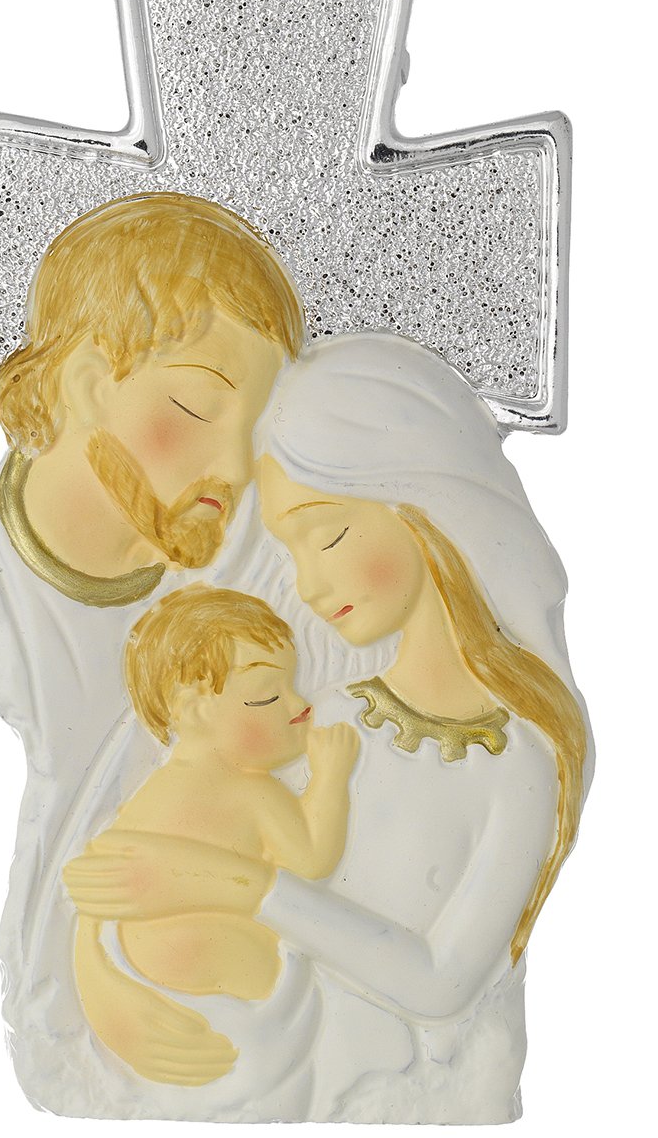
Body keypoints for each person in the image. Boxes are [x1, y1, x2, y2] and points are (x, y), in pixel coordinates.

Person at [66, 332, 593, 1123]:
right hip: (244, 1058)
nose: (309, 585)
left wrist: (238, 887)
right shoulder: (312, 715)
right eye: (292, 548)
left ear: (423, 507)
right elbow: (139, 839)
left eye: (331, 534)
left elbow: (446, 983)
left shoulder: (519, 762)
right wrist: (97, 979)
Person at [0, 192, 307, 1114]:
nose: (237, 466)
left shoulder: (257, 575)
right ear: (83, 381)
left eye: (258, 426)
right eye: (198, 404)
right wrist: (95, 980)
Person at [68, 585, 359, 1118]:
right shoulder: (252, 791)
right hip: (214, 1021)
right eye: (267, 696)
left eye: (293, 685)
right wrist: (330, 778)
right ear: (194, 711)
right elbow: (313, 859)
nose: (300, 705)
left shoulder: (152, 792)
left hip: (205, 1016)